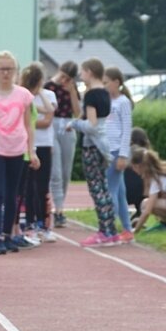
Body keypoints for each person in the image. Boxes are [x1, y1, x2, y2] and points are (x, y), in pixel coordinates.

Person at [0, 51, 38, 255]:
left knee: (13, 194)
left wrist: (32, 151)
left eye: (9, 69)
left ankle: (8, 234)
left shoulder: (23, 95)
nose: (6, 73)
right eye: (2, 69)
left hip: (17, 148)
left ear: (15, 71)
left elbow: (29, 125)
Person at [67, 58, 118, 246]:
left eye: (82, 71)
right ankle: (111, 229)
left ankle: (104, 231)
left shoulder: (91, 95)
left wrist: (74, 124)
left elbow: (92, 125)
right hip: (104, 145)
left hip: (93, 146)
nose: (81, 75)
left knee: (97, 188)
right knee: (103, 187)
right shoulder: (105, 93)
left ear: (89, 72)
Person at [21, 63, 56, 242]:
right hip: (26, 145)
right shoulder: (22, 96)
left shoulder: (48, 95)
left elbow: (49, 116)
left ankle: (43, 224)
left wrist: (40, 91)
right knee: (28, 186)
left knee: (42, 186)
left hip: (44, 145)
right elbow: (28, 122)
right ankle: (30, 224)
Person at [44, 61, 81, 227]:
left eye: (68, 78)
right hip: (52, 125)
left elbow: (78, 112)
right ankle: (57, 210)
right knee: (56, 172)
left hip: (67, 126)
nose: (64, 80)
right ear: (59, 71)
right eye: (63, 76)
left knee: (66, 171)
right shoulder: (48, 86)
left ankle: (61, 205)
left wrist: (72, 90)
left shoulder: (72, 88)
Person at [103, 67, 134, 242]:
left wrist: (123, 155)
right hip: (107, 150)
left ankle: (109, 229)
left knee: (111, 191)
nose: (105, 86)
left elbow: (127, 129)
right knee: (120, 192)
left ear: (116, 82)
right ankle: (127, 229)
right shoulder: (107, 101)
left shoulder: (123, 102)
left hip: (116, 151)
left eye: (107, 82)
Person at [125, 127, 150, 222]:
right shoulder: (148, 154)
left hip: (124, 194)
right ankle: (140, 212)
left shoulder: (125, 152)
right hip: (143, 193)